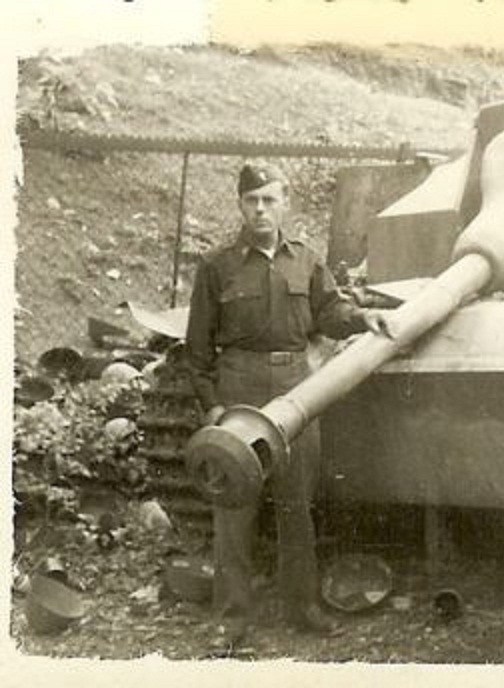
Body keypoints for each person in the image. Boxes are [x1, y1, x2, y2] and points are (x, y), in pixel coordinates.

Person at [185, 162, 391, 648]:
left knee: (298, 505)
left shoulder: (306, 260)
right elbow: (197, 351)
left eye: (270, 200)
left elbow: (330, 312)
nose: (261, 210)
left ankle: (304, 608)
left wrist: (364, 317)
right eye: (252, 201)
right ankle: (232, 620)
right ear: (240, 205)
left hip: (297, 389)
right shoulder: (217, 267)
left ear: (285, 204)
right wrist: (213, 409)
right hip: (239, 387)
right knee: (235, 509)